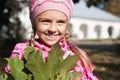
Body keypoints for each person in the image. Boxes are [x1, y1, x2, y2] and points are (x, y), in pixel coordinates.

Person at [5, 0, 99, 80]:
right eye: (46, 21)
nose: (52, 29)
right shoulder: (23, 53)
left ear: (67, 24)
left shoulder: (76, 57)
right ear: (34, 24)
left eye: (60, 22)